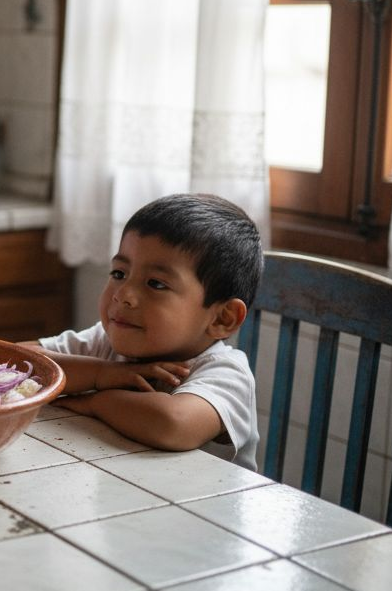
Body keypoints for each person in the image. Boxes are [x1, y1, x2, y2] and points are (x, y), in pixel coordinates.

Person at [30, 193, 262, 470]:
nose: (123, 295)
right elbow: (18, 360)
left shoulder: (225, 373)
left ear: (222, 318)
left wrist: (96, 402)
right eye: (119, 273)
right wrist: (99, 374)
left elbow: (173, 423)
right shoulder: (104, 345)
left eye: (156, 284)